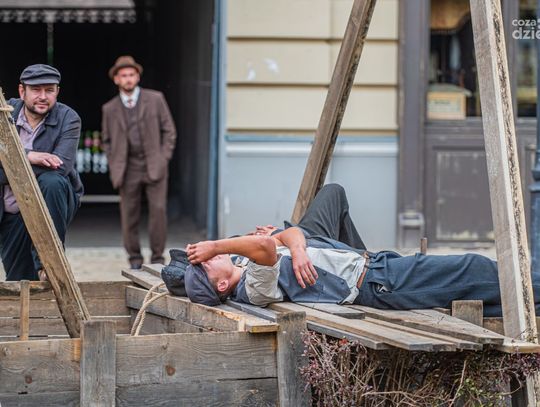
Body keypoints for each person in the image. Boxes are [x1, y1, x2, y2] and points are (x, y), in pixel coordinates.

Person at [183, 185, 540, 317]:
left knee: (332, 194)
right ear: (221, 286)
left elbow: (287, 234)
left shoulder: (242, 263)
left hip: (370, 267)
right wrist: (215, 244)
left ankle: (530, 297)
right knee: (474, 269)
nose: (212, 256)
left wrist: (295, 245)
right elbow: (266, 244)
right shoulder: (253, 289)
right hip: (378, 283)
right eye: (208, 264)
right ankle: (532, 291)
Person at [1, 64, 83, 281]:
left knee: (52, 180)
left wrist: (10, 163)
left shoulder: (69, 118)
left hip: (51, 202)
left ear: (57, 92)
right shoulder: (4, 114)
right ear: (22, 91)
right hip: (12, 208)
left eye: (49, 90)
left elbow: (62, 166)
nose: (43, 97)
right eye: (36, 90)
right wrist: (29, 156)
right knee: (19, 278)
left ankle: (50, 261)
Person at [102, 56, 177, 269]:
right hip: (127, 168)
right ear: (116, 79)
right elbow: (107, 140)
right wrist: (114, 162)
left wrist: (163, 158)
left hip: (155, 164)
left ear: (137, 77)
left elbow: (169, 131)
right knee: (129, 215)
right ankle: (134, 259)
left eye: (131, 75)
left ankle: (157, 259)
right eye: (123, 75)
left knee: (158, 212)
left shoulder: (155, 99)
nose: (128, 79)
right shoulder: (110, 108)